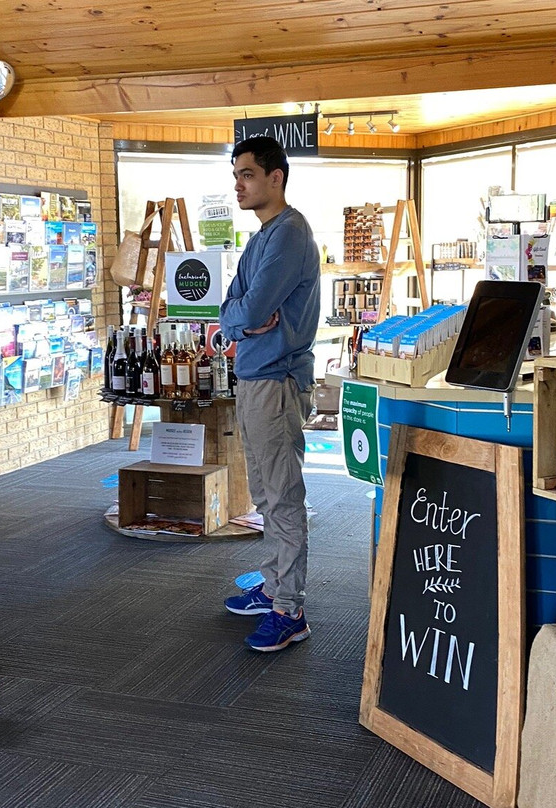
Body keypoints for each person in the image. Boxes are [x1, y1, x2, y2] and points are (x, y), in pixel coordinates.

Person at [219, 136, 320, 652]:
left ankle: (290, 609)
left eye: (248, 174)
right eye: (236, 174)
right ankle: (274, 585)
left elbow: (252, 310)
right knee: (264, 493)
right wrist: (240, 319)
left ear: (275, 177)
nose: (239, 183)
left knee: (283, 497)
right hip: (255, 377)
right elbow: (232, 306)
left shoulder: (288, 235)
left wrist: (242, 318)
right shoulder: (261, 237)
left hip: (276, 379)